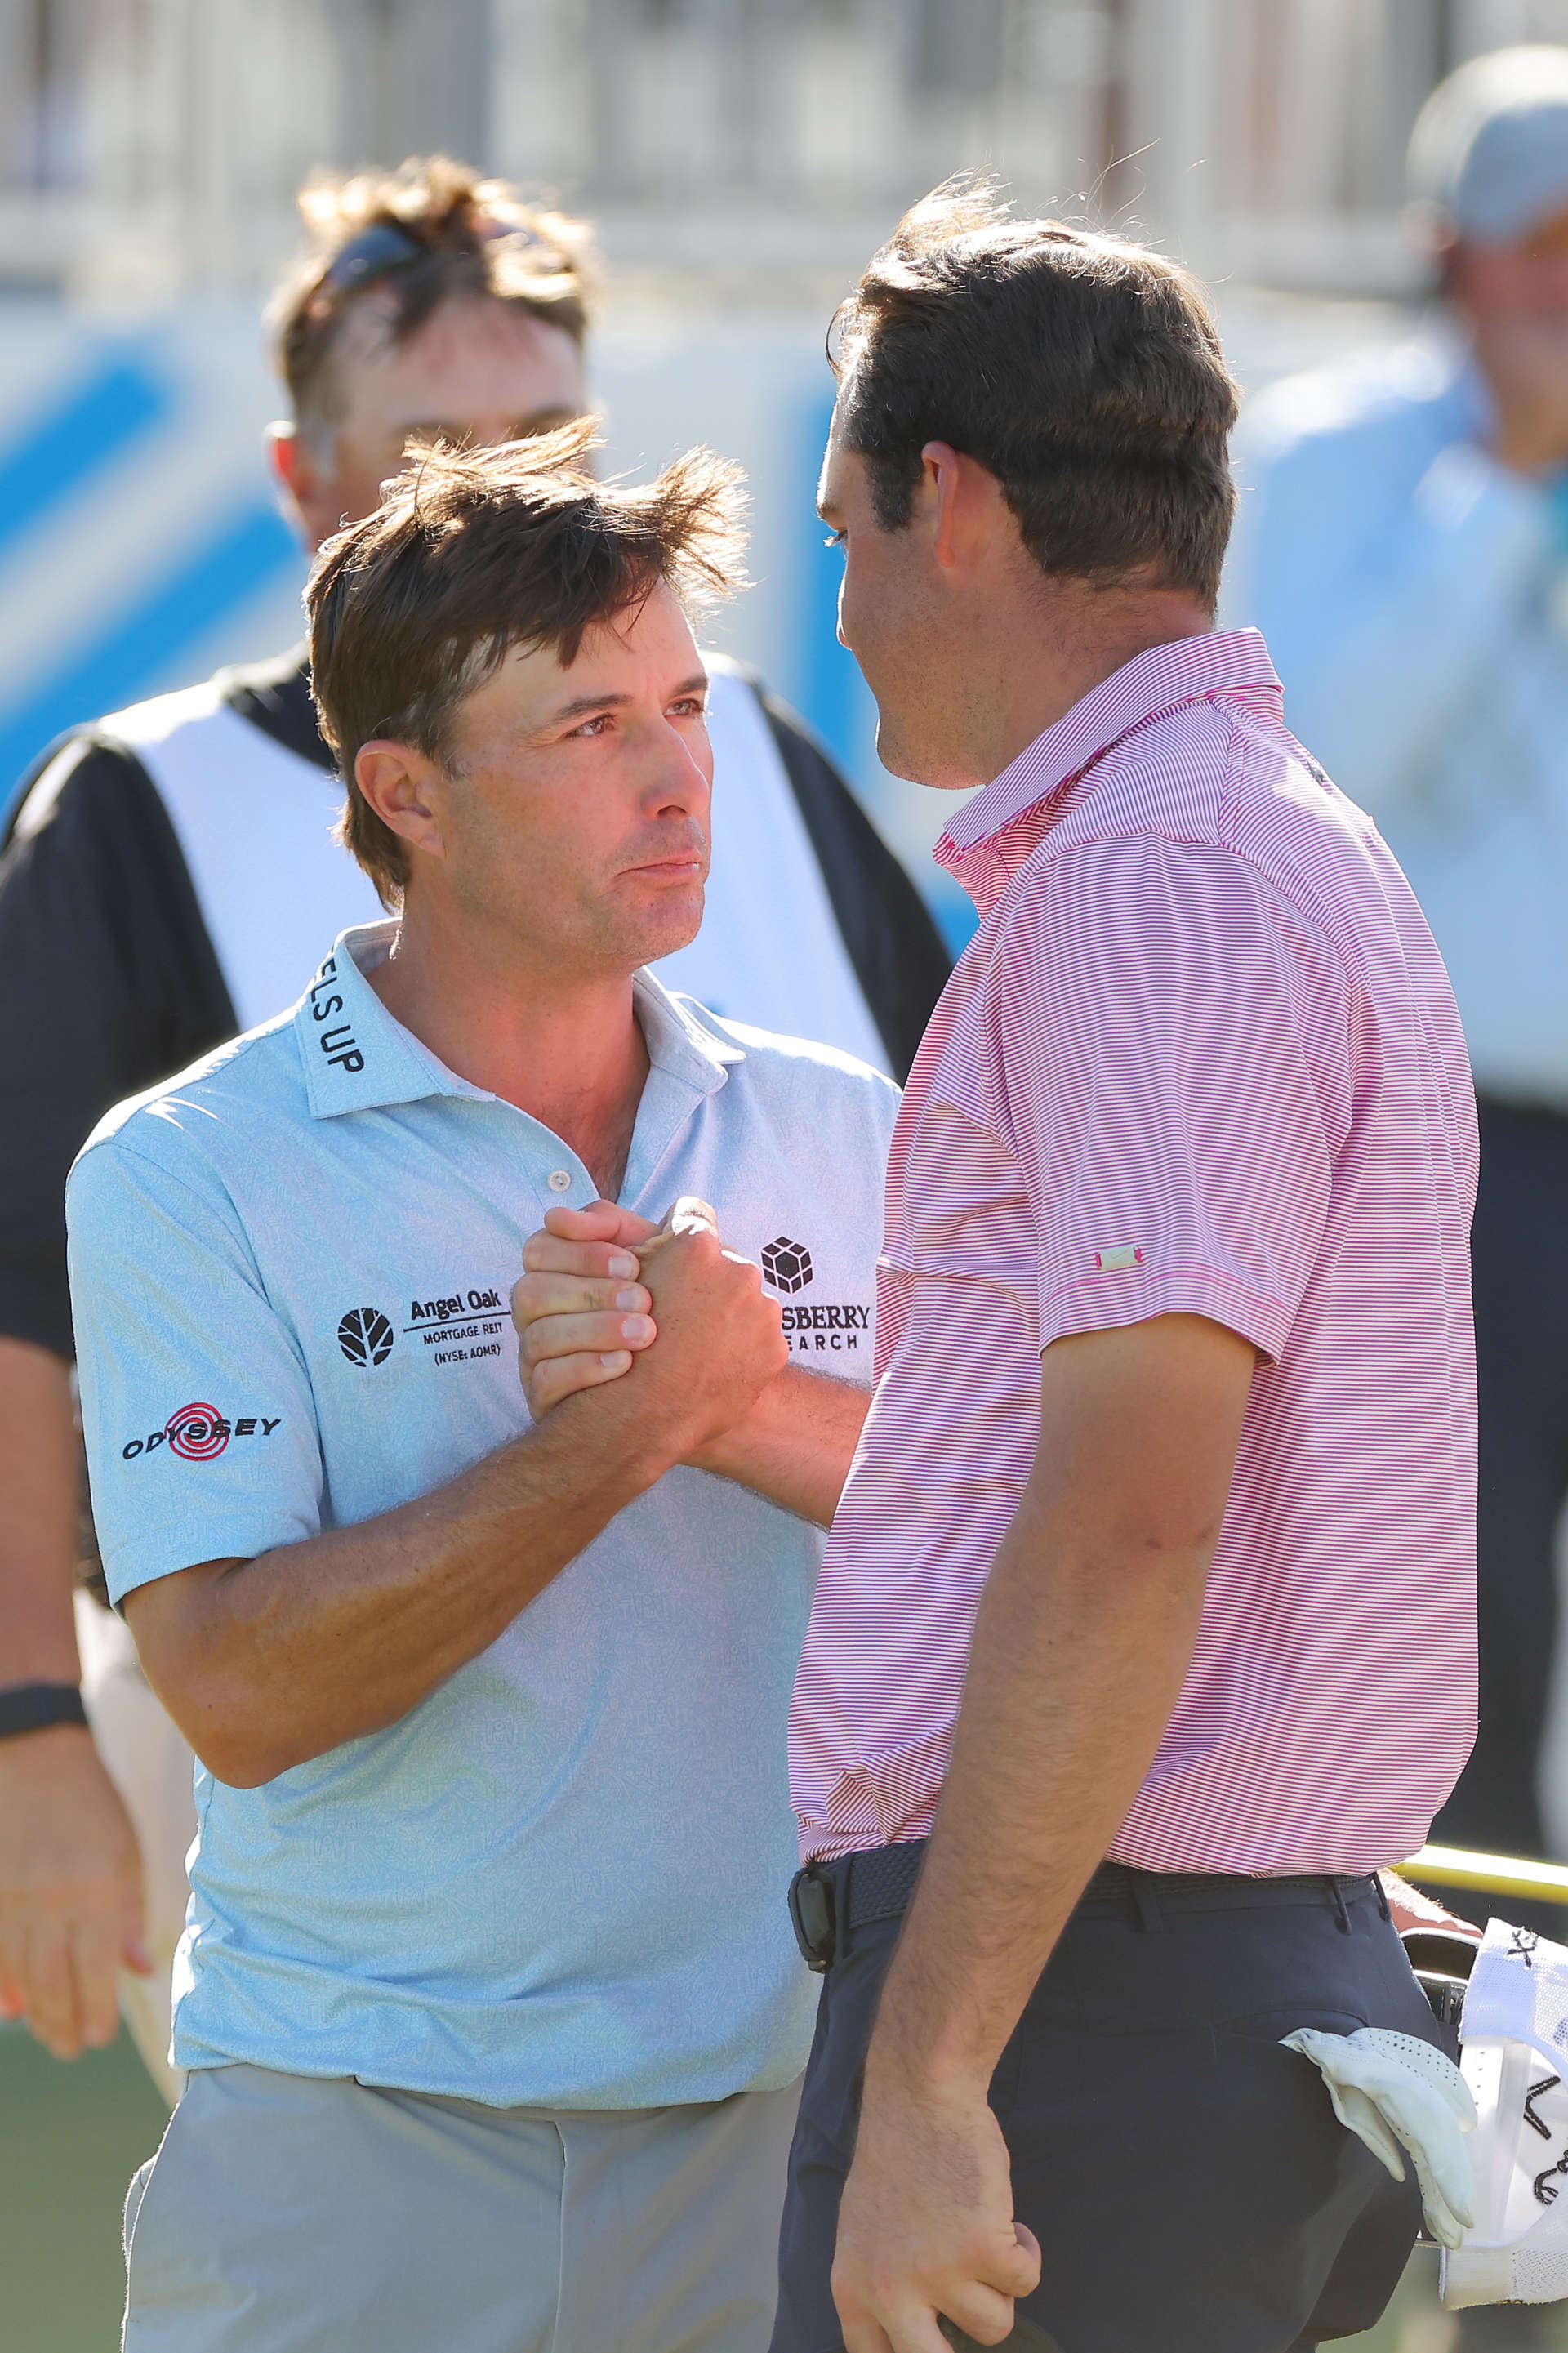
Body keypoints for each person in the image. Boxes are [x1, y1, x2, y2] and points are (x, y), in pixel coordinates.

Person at [0, 156, 947, 2101]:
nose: (497, 488)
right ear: (298, 475)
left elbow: (963, 1287)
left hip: (768, 1924)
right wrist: (26, 1726)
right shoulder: (136, 804)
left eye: (546, 439)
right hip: (340, 1868)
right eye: (434, 441)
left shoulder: (748, 755)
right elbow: (27, 1305)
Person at [67, 430, 897, 2353]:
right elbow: (242, 1695)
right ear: (405, 791)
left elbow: (993, 1532)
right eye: (593, 724)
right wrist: (614, 1438)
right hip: (352, 2139)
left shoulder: (839, 1122)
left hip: (770, 2127)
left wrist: (720, 1407)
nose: (684, 771)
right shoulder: (187, 1166)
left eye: (686, 705)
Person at [757, 182, 1473, 2353]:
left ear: (949, 502)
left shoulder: (1164, 869)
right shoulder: (1240, 836)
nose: (847, 593)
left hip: (1089, 2023)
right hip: (1156, 1985)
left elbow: (1134, 1510)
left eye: (848, 525)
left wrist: (933, 2073)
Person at [1224, 47, 1568, 1886]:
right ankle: (1489, 2061)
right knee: (1467, 1609)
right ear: (1454, 257)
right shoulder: (1335, 456)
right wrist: (1508, 490)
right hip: (1448, 1155)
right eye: (1545, 247)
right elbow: (1320, 740)